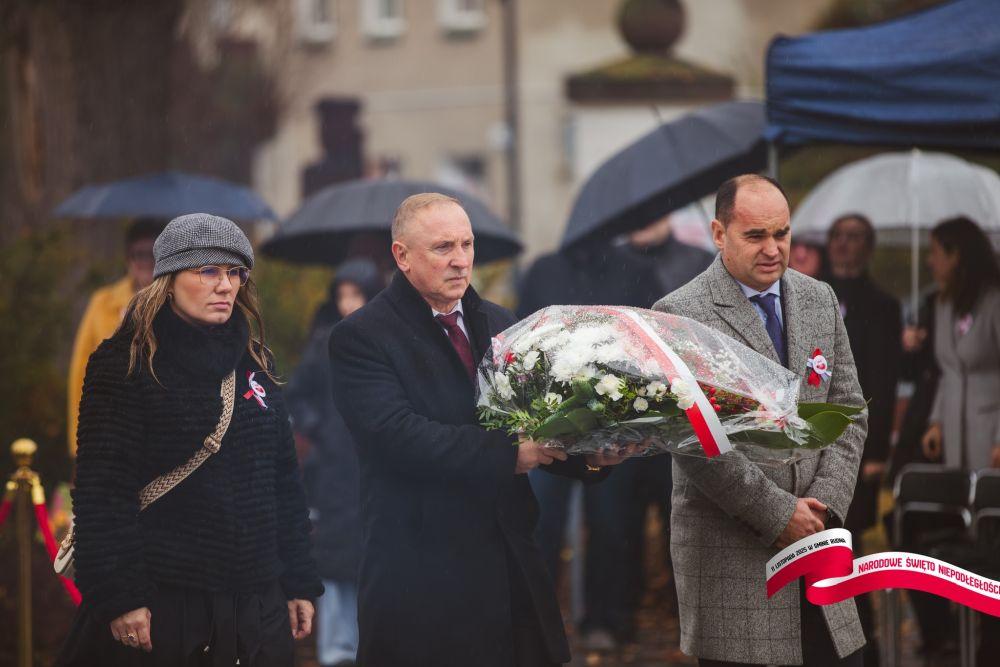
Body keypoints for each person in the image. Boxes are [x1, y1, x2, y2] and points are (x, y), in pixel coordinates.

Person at [328, 193, 625, 667]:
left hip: (509, 566)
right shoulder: (361, 336)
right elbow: (396, 435)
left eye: (466, 244)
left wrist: (590, 453)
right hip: (422, 574)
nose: (460, 259)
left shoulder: (501, 322)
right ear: (402, 256)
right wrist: (507, 453)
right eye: (443, 247)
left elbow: (537, 422)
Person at [58, 213, 322, 667]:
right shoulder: (125, 363)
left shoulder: (254, 361)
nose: (225, 286)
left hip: (256, 604)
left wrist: (298, 580)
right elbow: (103, 491)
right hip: (165, 602)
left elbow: (283, 482)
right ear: (168, 280)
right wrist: (122, 596)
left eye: (235, 273)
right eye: (208, 271)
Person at [653, 175, 868, 667]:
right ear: (718, 233)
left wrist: (824, 506)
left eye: (782, 233)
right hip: (734, 560)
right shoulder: (680, 314)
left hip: (819, 539)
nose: (773, 249)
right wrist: (779, 515)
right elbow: (694, 443)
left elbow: (850, 409)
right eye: (755, 236)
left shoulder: (818, 298)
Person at [518, 218, 712, 650]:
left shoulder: (634, 269)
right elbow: (523, 335)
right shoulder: (544, 271)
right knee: (541, 523)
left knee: (610, 524)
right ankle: (534, 621)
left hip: (611, 422)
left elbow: (648, 341)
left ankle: (607, 619)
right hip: (547, 422)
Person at [286, 258, 384, 667]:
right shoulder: (325, 342)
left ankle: (372, 645)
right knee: (334, 555)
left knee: (376, 556)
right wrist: (319, 428)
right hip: (333, 467)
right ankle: (338, 651)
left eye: (356, 294)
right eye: (342, 295)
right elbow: (297, 393)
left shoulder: (388, 340)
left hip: (376, 463)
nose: (348, 304)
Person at [825, 213, 902, 667]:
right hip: (815, 439)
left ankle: (860, 645)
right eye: (837, 236)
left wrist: (876, 453)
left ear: (868, 247)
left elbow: (884, 380)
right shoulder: (810, 295)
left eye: (853, 237)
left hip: (859, 442)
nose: (842, 244)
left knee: (848, 544)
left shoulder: (883, 305)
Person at [67, 218, 165, 455]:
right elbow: (81, 369)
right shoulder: (103, 303)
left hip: (162, 428)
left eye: (153, 254)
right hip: (110, 427)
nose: (146, 261)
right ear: (128, 258)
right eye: (139, 254)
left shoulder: (179, 303)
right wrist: (79, 443)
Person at [921, 216, 1000, 471]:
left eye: (935, 252)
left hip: (990, 434)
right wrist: (937, 422)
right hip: (955, 438)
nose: (929, 261)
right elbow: (949, 371)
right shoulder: (943, 304)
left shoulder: (994, 302)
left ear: (955, 255)